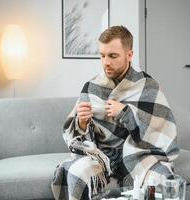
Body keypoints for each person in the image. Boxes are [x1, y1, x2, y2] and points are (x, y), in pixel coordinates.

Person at [51, 25, 179, 200]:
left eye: (112, 56)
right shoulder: (91, 87)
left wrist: (126, 112)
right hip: (101, 155)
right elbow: (75, 135)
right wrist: (81, 123)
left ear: (129, 55)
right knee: (78, 172)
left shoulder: (148, 86)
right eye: (102, 55)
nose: (106, 62)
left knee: (159, 178)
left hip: (139, 152)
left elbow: (160, 129)